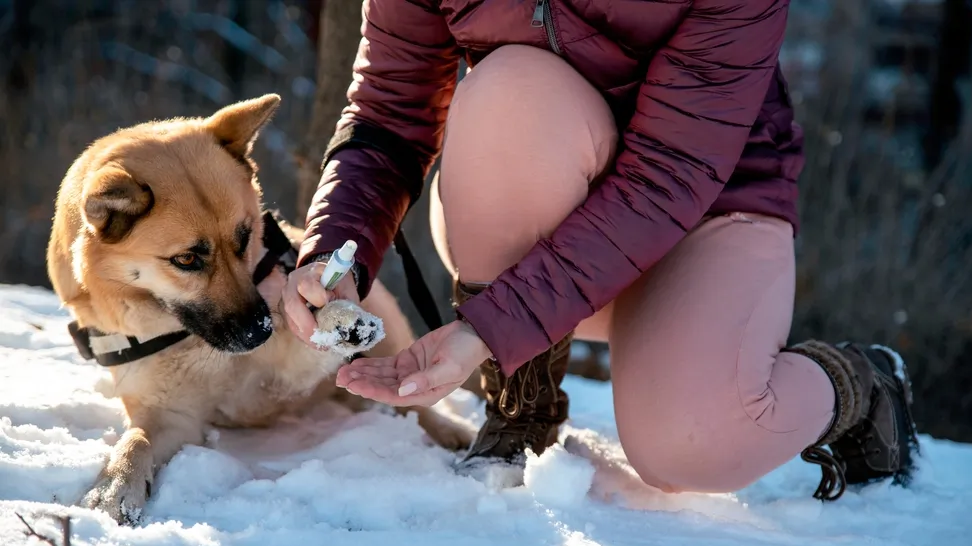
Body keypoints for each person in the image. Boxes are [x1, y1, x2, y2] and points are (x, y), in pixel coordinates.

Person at [282, 0, 920, 501]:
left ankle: (862, 385)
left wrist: (489, 329)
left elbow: (668, 174)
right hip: (539, 180)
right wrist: (336, 252)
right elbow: (391, 112)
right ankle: (521, 413)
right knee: (509, 92)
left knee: (688, 447)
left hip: (706, 206)